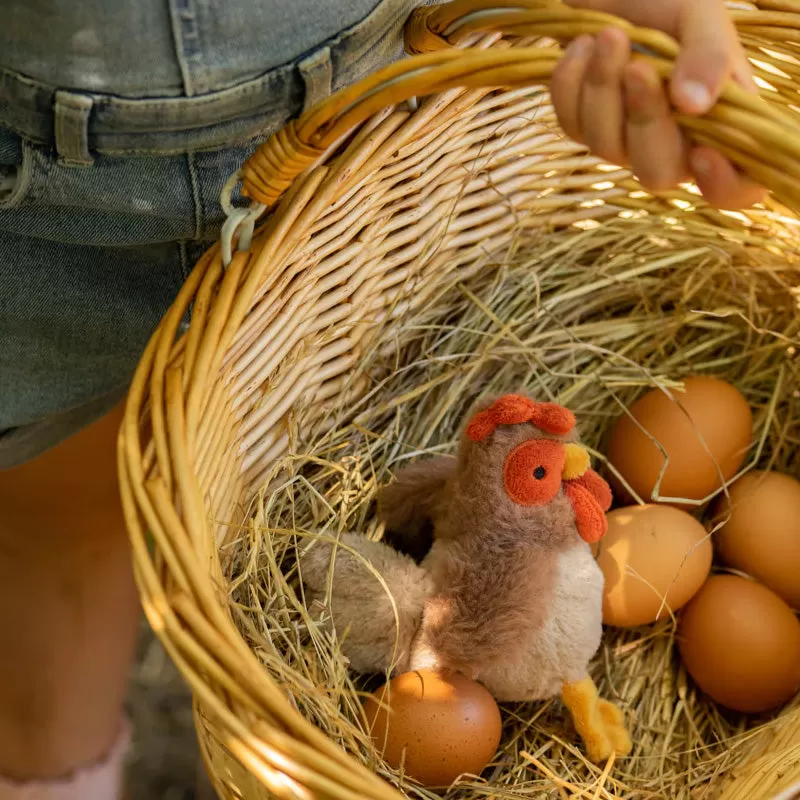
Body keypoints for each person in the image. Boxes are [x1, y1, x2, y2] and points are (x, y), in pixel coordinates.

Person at [0, 0, 764, 796]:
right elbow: (424, 496)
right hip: (47, 202)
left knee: (109, 503)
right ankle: (54, 772)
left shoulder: (567, 545)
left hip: (370, 108)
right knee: (60, 522)